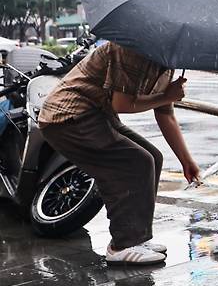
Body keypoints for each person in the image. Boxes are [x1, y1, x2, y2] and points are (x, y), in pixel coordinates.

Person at [38, 41, 200, 265]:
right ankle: (122, 245)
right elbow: (121, 104)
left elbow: (165, 114)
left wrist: (186, 161)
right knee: (134, 162)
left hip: (97, 113)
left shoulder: (166, 63)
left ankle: (137, 237)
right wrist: (167, 96)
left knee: (152, 157)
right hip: (67, 116)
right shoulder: (130, 49)